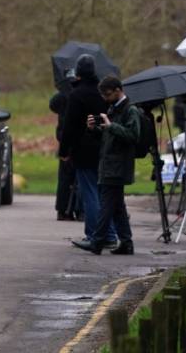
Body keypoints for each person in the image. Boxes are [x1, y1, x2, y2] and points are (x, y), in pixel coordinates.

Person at [72, 76, 140, 255]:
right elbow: (108, 138)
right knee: (117, 206)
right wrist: (94, 129)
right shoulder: (113, 109)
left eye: (107, 94)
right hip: (109, 164)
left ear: (118, 90)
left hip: (118, 166)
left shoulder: (130, 110)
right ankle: (126, 242)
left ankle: (97, 241)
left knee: (106, 205)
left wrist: (110, 126)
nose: (105, 98)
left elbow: (133, 135)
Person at [59, 55, 115, 247]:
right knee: (103, 194)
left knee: (89, 193)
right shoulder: (102, 93)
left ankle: (95, 235)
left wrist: (64, 150)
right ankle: (110, 233)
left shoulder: (76, 95)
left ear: (78, 73)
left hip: (83, 150)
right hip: (105, 148)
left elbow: (69, 126)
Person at [51, 75, 81, 221]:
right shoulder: (83, 91)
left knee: (65, 177)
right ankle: (78, 209)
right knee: (79, 176)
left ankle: (63, 209)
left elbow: (53, 105)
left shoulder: (65, 93)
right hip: (79, 139)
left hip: (64, 137)